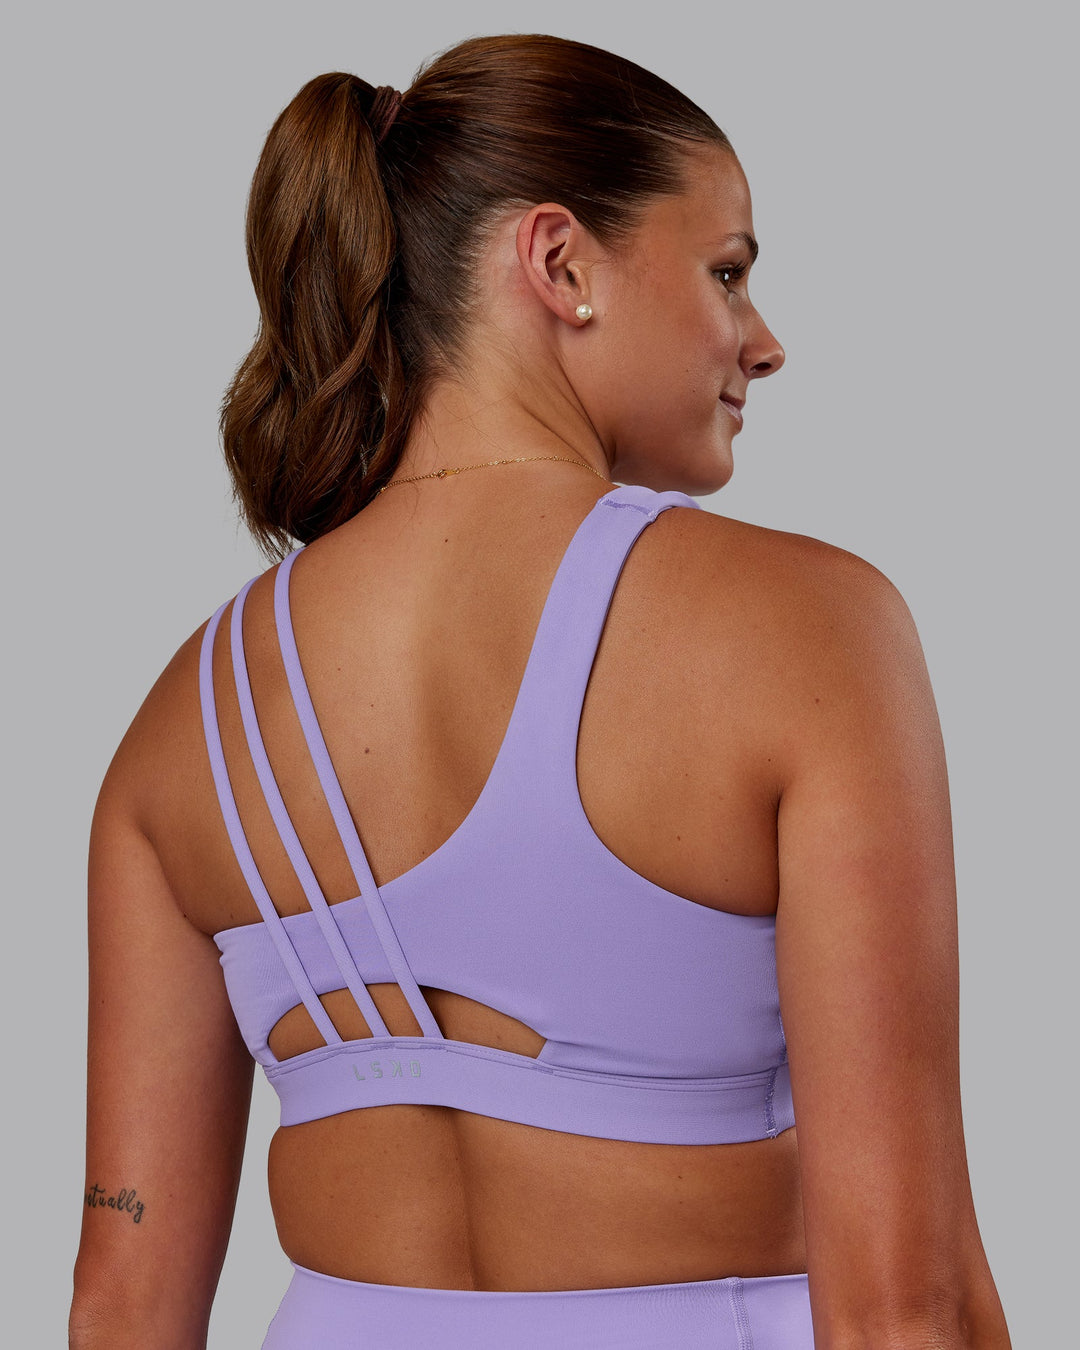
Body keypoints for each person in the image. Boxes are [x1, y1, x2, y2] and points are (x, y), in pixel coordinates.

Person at [69, 32, 1012, 1350]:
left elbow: (119, 1307)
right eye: (727, 271)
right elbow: (905, 1307)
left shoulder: (182, 721)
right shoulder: (807, 630)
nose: (763, 341)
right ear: (560, 263)